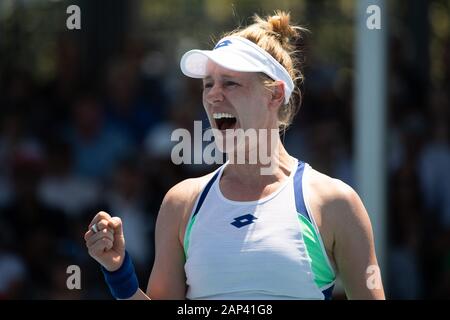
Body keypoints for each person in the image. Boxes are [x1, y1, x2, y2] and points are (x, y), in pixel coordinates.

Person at [84, 11, 385, 300]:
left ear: (275, 95)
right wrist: (118, 272)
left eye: (230, 83)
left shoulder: (335, 202)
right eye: (208, 84)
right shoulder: (181, 203)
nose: (214, 95)